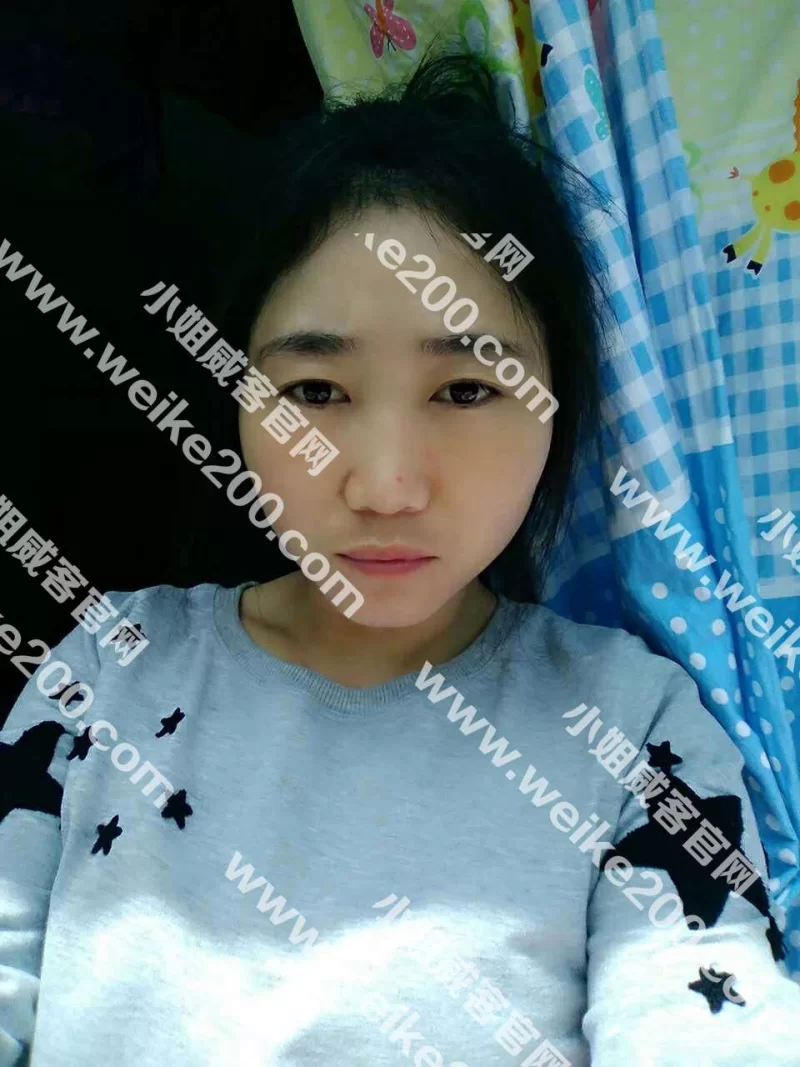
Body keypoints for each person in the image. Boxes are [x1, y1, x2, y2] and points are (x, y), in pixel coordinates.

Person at [0, 53, 797, 1067]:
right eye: (315, 391)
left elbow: (702, 1006)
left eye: (464, 391)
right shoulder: (107, 672)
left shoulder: (634, 725)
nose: (383, 486)